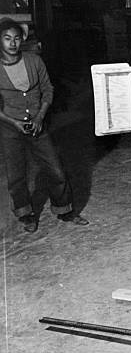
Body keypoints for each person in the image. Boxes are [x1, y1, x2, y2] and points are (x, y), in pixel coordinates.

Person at [0, 17, 88, 233]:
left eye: (17, 39)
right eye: (7, 38)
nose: (13, 43)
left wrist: (39, 117)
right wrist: (15, 123)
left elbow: (48, 89)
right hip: (10, 127)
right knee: (16, 175)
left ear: (23, 40)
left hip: (38, 124)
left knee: (56, 169)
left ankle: (64, 209)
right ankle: (26, 214)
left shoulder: (34, 61)